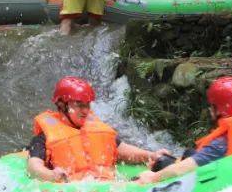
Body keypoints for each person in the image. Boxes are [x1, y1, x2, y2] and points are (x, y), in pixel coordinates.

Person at [135, 76, 232, 185]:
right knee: (189, 153)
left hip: (223, 181)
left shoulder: (220, 144)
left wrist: (152, 177)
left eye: (212, 106)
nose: (210, 109)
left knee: (163, 162)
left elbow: (184, 168)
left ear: (218, 109)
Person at [28, 76, 169, 182]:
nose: (85, 110)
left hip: (108, 186)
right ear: (62, 105)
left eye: (87, 105)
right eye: (79, 105)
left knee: (157, 171)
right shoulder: (43, 137)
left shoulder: (98, 130)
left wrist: (152, 155)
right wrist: (51, 175)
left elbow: (121, 149)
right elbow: (34, 167)